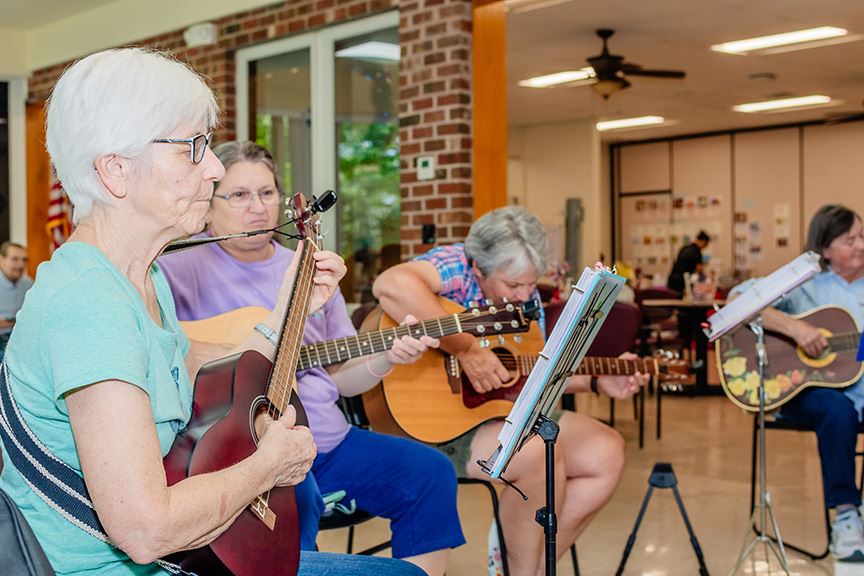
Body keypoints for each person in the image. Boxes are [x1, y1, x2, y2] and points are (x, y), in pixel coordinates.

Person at [0, 48, 424, 576]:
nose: (215, 168)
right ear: (115, 171)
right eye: (193, 148)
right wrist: (268, 465)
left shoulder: (141, 276)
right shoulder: (91, 303)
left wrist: (288, 310)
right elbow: (145, 529)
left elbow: (217, 374)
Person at [158, 140, 464, 576]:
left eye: (266, 193)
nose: (257, 207)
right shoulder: (177, 267)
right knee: (295, 496)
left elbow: (339, 379)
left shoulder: (310, 267)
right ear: (208, 206)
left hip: (328, 439)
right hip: (242, 448)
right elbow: (164, 351)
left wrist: (386, 359)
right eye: (239, 195)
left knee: (430, 472)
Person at [373, 206, 647, 575]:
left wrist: (598, 381)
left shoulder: (525, 294)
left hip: (500, 412)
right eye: (514, 285)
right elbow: (391, 285)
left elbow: (536, 372)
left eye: (532, 284)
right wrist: (466, 349)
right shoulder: (456, 264)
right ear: (479, 269)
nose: (525, 294)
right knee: (536, 455)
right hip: (435, 423)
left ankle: (520, 566)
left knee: (606, 451)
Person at [729, 204, 864, 562]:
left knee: (846, 408)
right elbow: (737, 301)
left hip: (860, 391)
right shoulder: (803, 283)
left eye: (862, 236)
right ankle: (847, 516)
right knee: (838, 410)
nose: (861, 245)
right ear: (825, 248)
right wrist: (795, 328)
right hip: (806, 392)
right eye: (850, 239)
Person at [0, 242, 33, 349]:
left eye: (24, 260)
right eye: (15, 259)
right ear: (1, 260)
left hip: (22, 338)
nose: (20, 265)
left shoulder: (29, 283)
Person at [668, 229, 710, 296]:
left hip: (672, 280)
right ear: (703, 242)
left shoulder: (684, 248)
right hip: (682, 283)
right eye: (705, 245)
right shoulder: (697, 252)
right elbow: (699, 270)